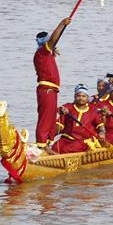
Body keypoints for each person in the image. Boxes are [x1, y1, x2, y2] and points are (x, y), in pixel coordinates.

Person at [34, 17, 70, 145]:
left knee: (51, 117)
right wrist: (62, 24)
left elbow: (53, 42)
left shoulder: (47, 54)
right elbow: (54, 39)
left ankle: (48, 143)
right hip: (46, 89)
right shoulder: (41, 52)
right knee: (45, 118)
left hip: (53, 90)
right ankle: (41, 144)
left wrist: (52, 54)